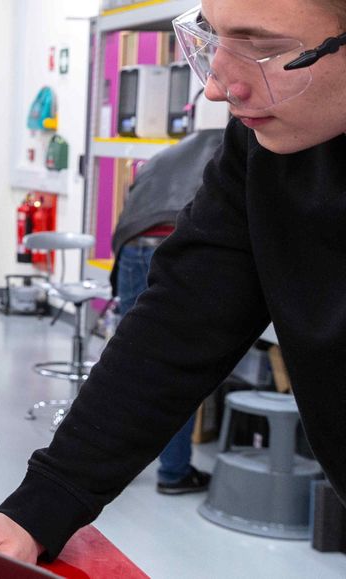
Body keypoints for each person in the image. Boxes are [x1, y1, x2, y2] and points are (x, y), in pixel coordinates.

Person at [0, 0, 346, 564]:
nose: (218, 89)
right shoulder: (268, 149)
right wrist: (35, 512)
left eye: (265, 49)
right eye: (213, 38)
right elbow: (181, 322)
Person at [110, 95, 229, 496]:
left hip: (132, 247)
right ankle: (174, 472)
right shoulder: (237, 156)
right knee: (177, 366)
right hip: (177, 250)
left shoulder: (165, 154)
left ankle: (108, 464)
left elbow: (130, 206)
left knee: (131, 362)